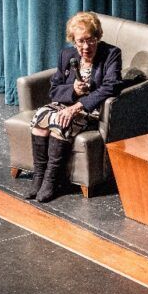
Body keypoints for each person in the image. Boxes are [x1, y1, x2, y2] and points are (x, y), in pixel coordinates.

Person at [27, 12, 122, 202]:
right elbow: (54, 90)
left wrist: (78, 105)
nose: (86, 47)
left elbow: (111, 86)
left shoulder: (112, 54)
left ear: (98, 37)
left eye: (91, 40)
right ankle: (39, 177)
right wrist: (73, 90)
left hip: (92, 109)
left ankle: (51, 180)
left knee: (60, 122)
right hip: (65, 103)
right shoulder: (66, 55)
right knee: (39, 118)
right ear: (73, 41)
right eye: (81, 42)